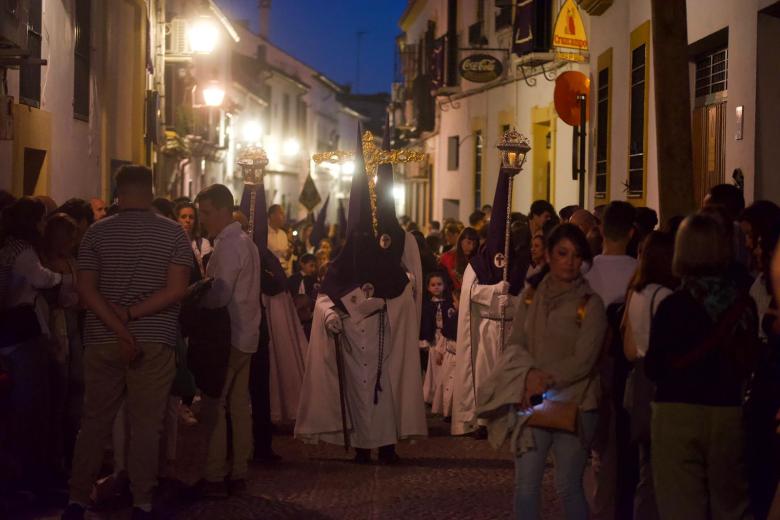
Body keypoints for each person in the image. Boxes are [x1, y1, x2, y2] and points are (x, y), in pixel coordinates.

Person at [62, 165, 191, 519]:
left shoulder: (95, 235)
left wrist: (118, 327)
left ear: (117, 192)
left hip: (102, 339)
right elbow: (177, 290)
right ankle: (142, 502)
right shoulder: (174, 235)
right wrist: (131, 317)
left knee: (94, 422)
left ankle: (76, 500)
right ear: (151, 191)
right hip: (154, 340)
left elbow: (86, 290)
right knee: (148, 425)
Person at [295, 129, 427, 464]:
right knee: (356, 393)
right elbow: (327, 294)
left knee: (385, 392)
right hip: (353, 342)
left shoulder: (393, 270)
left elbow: (403, 294)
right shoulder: (345, 260)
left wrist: (384, 303)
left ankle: (386, 445)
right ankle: (361, 446)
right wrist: (330, 317)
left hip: (384, 339)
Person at [477, 223, 607, 519]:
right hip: (532, 399)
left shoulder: (591, 304)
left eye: (576, 256)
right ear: (548, 255)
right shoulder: (531, 295)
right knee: (525, 485)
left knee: (568, 485)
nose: (570, 262)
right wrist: (527, 377)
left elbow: (583, 360)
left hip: (576, 402)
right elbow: (517, 341)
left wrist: (541, 379)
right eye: (562, 253)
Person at [645, 214, 757, 520]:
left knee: (680, 504)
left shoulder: (673, 306)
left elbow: (654, 366)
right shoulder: (743, 305)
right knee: (730, 506)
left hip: (677, 410)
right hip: (727, 410)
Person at [452, 168, 530, 438]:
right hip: (487, 326)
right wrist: (494, 290)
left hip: (509, 326)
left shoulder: (519, 262)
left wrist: (512, 298)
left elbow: (527, 293)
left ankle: (508, 419)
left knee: (508, 375)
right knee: (486, 375)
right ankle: (483, 421)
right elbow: (471, 293)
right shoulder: (477, 265)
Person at [0, 197, 70, 496]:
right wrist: (70, 279)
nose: (45, 225)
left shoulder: (7, 247)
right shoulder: (23, 250)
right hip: (21, 332)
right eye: (42, 220)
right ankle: (31, 477)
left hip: (9, 333)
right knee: (32, 407)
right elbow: (42, 279)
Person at [195, 184, 261, 497]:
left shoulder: (230, 245)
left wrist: (197, 299)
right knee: (237, 405)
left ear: (223, 210)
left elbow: (219, 294)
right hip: (246, 334)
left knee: (216, 406)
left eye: (206, 213)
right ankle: (238, 472)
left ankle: (214, 474)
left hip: (230, 335)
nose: (202, 220)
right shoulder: (243, 242)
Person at [584, 200, 638, 520]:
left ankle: (601, 507)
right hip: (627, 365)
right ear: (632, 232)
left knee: (599, 446)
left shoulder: (587, 272)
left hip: (595, 364)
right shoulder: (639, 270)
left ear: (601, 229)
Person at [621, 231, 677, 520]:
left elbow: (629, 349)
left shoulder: (637, 293)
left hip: (639, 382)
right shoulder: (666, 296)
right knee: (662, 470)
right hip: (658, 384)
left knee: (646, 469)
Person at [421, 272, 458, 418]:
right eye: (433, 285)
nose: (436, 287)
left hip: (445, 338)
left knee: (444, 368)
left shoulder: (449, 303)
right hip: (434, 339)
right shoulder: (427, 305)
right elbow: (425, 323)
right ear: (428, 288)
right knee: (434, 367)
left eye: (439, 284)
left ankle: (443, 398)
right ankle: (432, 395)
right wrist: (425, 340)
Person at [438, 227, 479, 292]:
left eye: (474, 244)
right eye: (468, 243)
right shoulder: (447, 258)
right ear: (461, 241)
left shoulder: (477, 259)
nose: (471, 247)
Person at [267, 204, 292, 275]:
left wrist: (289, 253)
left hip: (283, 272)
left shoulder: (283, 234)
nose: (284, 216)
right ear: (272, 216)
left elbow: (285, 256)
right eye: (281, 213)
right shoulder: (264, 234)